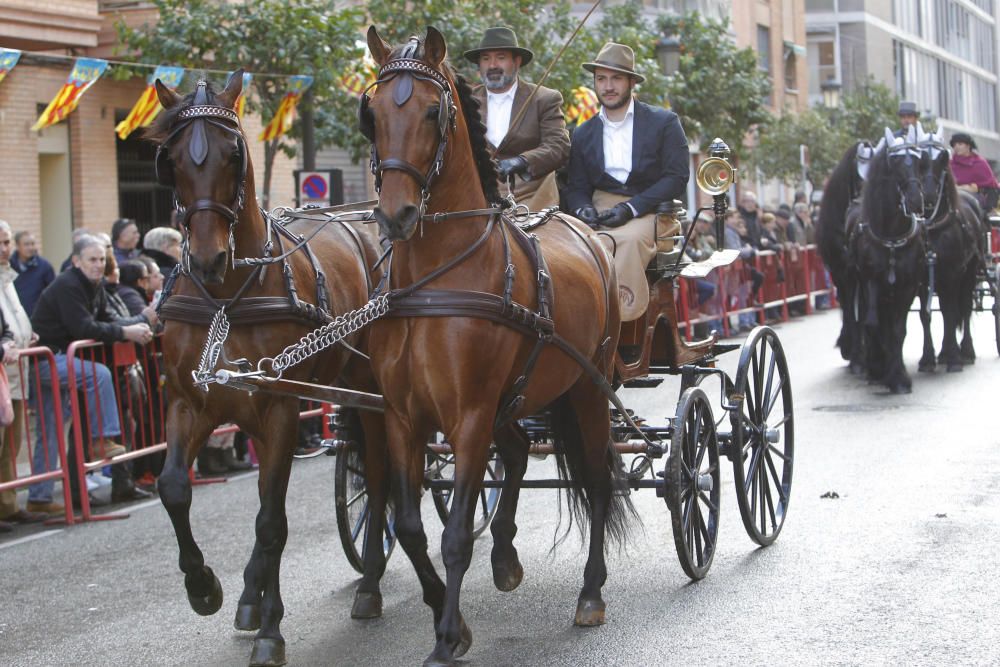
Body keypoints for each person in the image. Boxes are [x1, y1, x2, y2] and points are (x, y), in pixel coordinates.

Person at [25, 235, 157, 514]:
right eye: (92, 260)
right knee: (98, 375)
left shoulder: (93, 285)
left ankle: (39, 497)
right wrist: (126, 332)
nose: (99, 265)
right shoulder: (68, 285)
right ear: (76, 261)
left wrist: (141, 321)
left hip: (60, 357)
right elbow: (84, 327)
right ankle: (101, 440)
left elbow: (107, 321)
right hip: (49, 359)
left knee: (50, 430)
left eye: (101, 260)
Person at [565, 42, 689, 321]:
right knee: (574, 246)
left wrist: (630, 208)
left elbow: (677, 177)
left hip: (652, 210)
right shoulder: (583, 133)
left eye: (616, 78)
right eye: (601, 79)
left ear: (631, 82)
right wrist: (582, 208)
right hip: (601, 210)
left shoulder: (664, 122)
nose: (608, 86)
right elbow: (577, 187)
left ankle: (618, 320)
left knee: (626, 241)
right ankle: (578, 319)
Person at [465, 27, 570, 209]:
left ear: (517, 61)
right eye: (486, 58)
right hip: (479, 197)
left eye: (501, 57)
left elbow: (559, 146)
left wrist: (522, 161)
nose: (492, 65)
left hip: (532, 196)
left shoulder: (544, 98)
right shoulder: (466, 102)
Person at [0, 221, 48, 530]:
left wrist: (24, 335)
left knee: (12, 442)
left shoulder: (8, 275)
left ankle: (7, 503)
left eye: (6, 242)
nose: (6, 249)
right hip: (5, 370)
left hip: (16, 369)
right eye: (1, 243)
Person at [949, 132, 1000, 213]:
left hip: (977, 201)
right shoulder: (950, 164)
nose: (956, 147)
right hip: (953, 199)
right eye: (954, 145)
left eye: (960, 144)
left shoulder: (980, 163)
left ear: (968, 146)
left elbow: (991, 187)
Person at [9, 230, 55, 317]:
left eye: (32, 244)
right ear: (17, 246)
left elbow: (53, 295)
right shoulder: (9, 266)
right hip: (14, 319)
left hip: (38, 320)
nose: (30, 247)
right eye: (26, 244)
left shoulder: (45, 267)